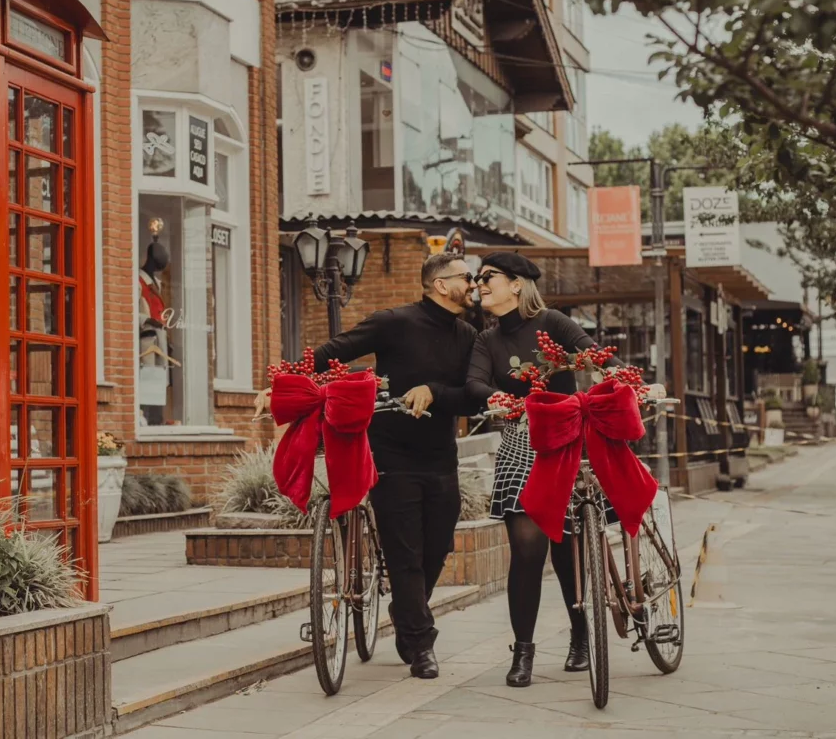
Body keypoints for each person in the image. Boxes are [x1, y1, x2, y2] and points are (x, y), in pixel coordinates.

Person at [256, 253, 478, 680]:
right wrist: (280, 384)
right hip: (390, 453)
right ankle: (421, 642)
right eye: (466, 277)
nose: (472, 284)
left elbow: (471, 394)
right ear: (439, 284)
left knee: (437, 549)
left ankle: (405, 611)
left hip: (440, 457)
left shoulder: (469, 334)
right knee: (405, 553)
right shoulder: (395, 321)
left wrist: (433, 390)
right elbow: (333, 351)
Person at [464, 252, 617, 688]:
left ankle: (582, 635)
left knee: (567, 551)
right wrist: (493, 396)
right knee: (527, 552)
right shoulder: (486, 339)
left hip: (566, 442)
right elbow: (474, 382)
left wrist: (630, 381)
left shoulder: (553, 322)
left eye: (487, 277)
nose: (479, 284)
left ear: (516, 284)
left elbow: (597, 355)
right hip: (518, 444)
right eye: (477, 278)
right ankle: (524, 652)